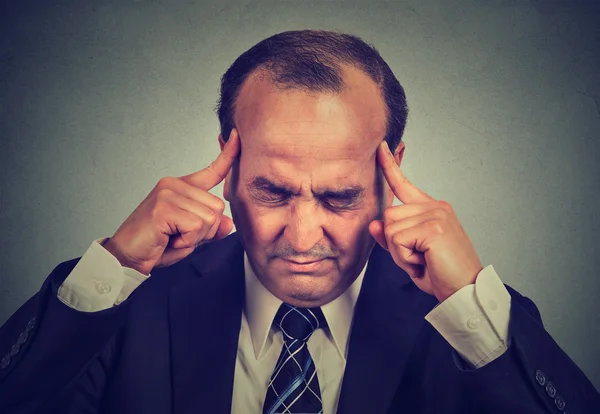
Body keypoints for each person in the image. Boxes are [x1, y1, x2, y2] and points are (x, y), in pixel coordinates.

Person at [0, 29, 598, 414]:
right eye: (272, 191)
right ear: (228, 164)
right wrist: (113, 267)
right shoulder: (133, 305)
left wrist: (471, 300)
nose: (304, 237)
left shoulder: (467, 325)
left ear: (392, 171)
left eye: (339, 196)